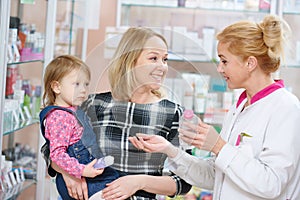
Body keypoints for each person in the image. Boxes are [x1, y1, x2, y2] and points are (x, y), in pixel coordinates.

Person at [129, 15, 300, 200]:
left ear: (250, 63)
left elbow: (272, 184)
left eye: (224, 61)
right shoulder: (239, 106)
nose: (219, 68)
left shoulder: (285, 108)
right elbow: (215, 176)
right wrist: (170, 150)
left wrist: (219, 146)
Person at [45, 28, 192, 200]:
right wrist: (69, 174)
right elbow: (52, 150)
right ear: (129, 61)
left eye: (165, 59)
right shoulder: (94, 105)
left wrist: (139, 182)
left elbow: (184, 181)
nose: (162, 67)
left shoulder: (173, 113)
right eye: (154, 58)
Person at [40, 55, 119, 199]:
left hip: (91, 174)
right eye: (76, 84)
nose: (83, 90)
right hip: (83, 180)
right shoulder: (59, 117)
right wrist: (81, 170)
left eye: (85, 84)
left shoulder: (77, 110)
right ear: (56, 87)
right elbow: (56, 154)